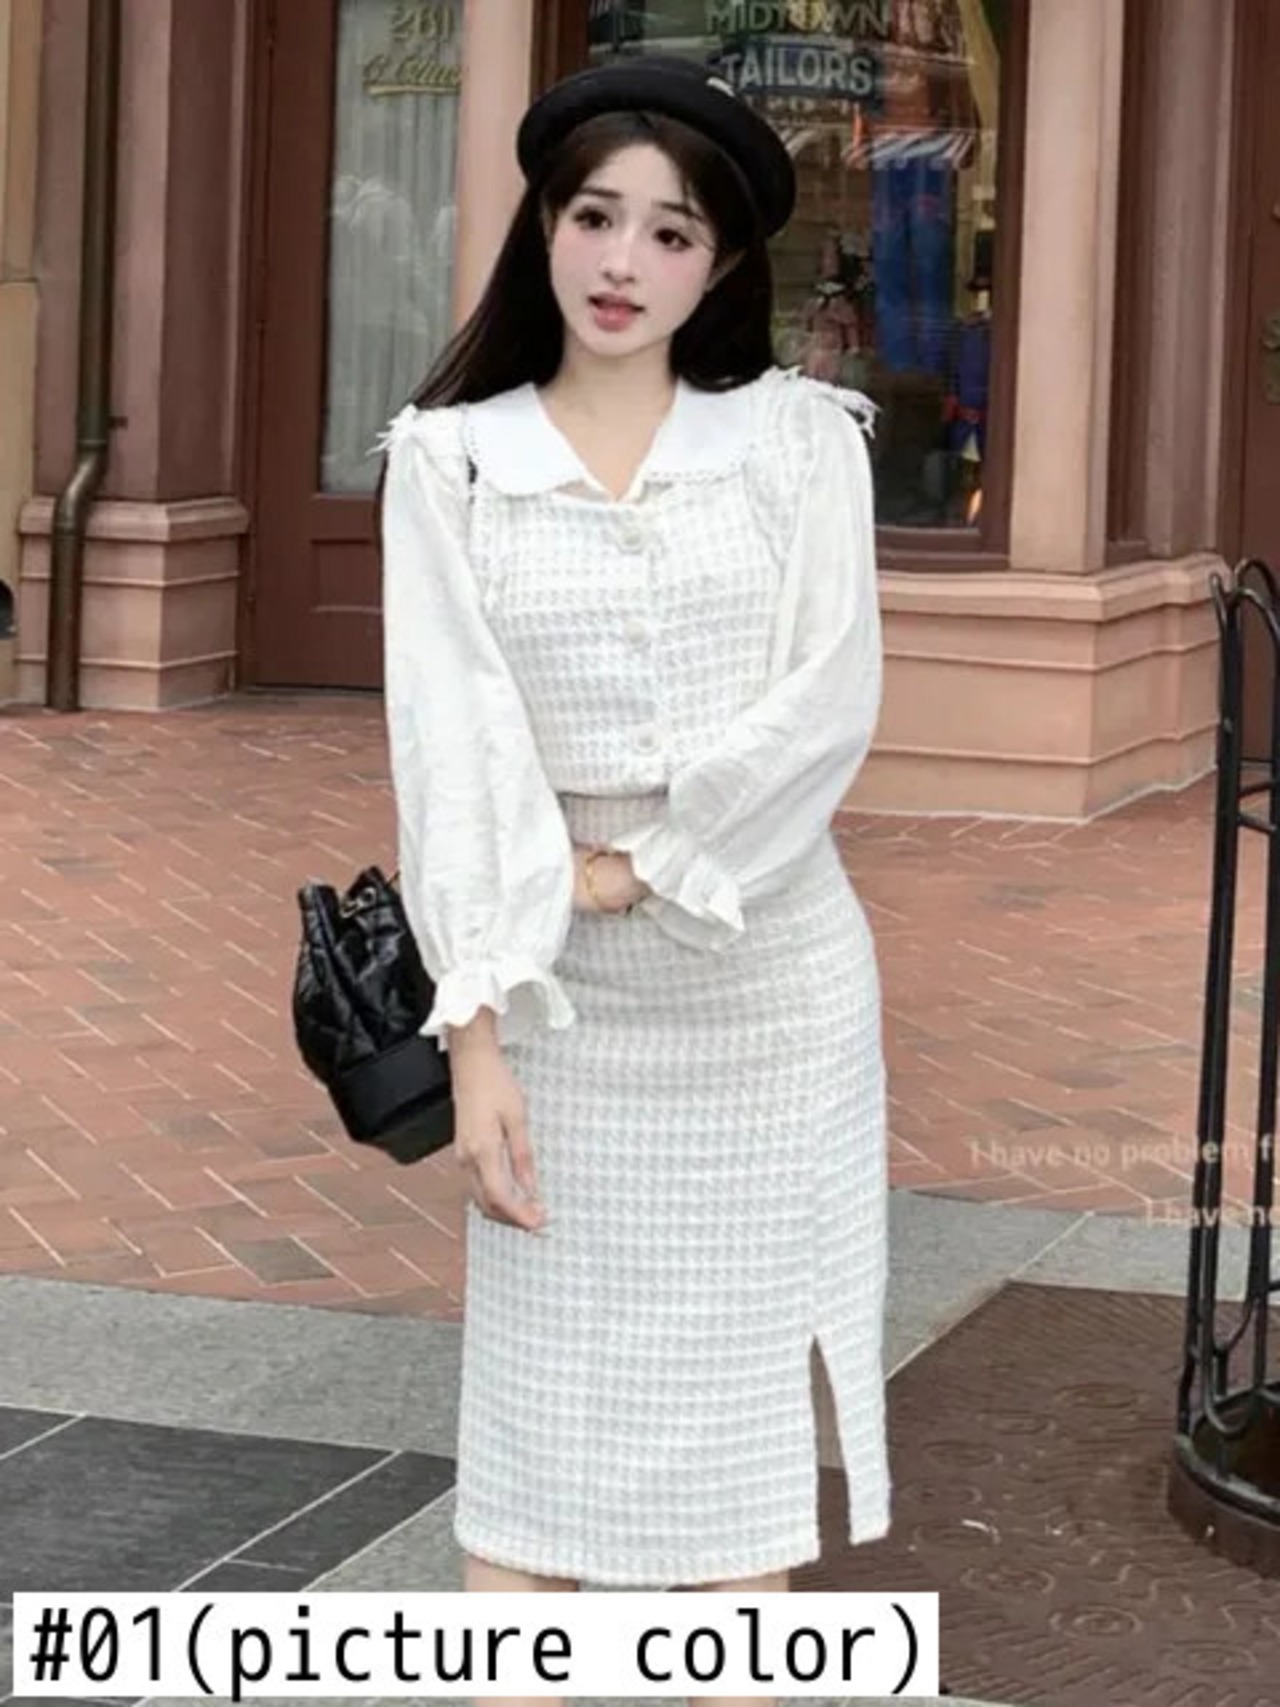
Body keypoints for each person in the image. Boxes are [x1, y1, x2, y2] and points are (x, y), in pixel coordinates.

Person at [378, 56, 889, 1707]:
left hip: (771, 991)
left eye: (671, 234)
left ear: (720, 266)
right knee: (535, 1434)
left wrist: (645, 868)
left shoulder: (802, 443)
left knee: (739, 1446)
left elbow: (828, 705)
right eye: (595, 217)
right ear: (544, 225)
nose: (622, 262)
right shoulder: (449, 463)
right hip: (554, 1003)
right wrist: (474, 1037)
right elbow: (450, 752)